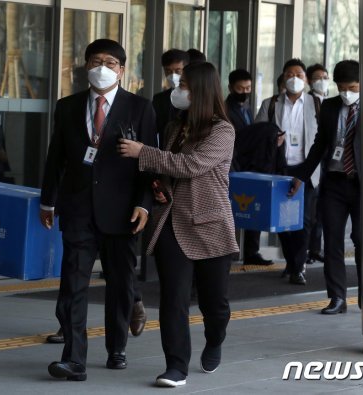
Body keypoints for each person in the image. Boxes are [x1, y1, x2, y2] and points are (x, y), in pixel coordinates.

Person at [40, 38, 156, 381]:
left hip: (123, 213)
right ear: (85, 66)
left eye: (109, 62)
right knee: (72, 284)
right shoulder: (67, 106)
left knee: (120, 283)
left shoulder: (141, 108)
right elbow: (55, 158)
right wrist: (48, 200)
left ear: (121, 70)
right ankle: (74, 357)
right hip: (77, 208)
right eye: (94, 61)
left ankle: (116, 346)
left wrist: (143, 204)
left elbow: (149, 163)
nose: (101, 68)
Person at [119, 61, 238, 388]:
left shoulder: (222, 130)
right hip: (172, 222)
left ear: (200, 89)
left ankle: (215, 339)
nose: (177, 89)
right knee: (173, 298)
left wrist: (144, 152)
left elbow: (191, 165)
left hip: (210, 223)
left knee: (215, 304)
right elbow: (169, 170)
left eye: (184, 84)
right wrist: (158, 182)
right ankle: (176, 366)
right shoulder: (174, 127)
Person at [290, 60, 362, 314]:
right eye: (342, 88)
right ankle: (337, 298)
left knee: (362, 240)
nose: (346, 93)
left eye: (352, 87)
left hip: (362, 186)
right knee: (332, 242)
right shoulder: (330, 107)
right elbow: (320, 145)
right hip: (334, 183)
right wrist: (302, 175)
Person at [255, 58, 320, 285]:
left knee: (304, 220)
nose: (294, 79)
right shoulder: (270, 104)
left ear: (306, 79)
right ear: (283, 78)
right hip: (280, 168)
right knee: (282, 220)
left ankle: (297, 266)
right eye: (290, 74)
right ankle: (293, 263)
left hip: (307, 169)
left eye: (299, 75)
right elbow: (258, 132)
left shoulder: (317, 104)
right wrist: (272, 139)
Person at [225, 68, 273, 266]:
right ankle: (229, 251)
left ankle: (251, 250)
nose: (244, 91)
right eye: (240, 88)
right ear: (230, 88)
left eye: (248, 88)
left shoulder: (247, 108)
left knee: (253, 206)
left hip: (249, 164)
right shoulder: (226, 109)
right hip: (235, 164)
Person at [305, 63, 330, 264]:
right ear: (310, 81)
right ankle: (306, 249)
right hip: (313, 159)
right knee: (310, 208)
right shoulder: (307, 102)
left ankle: (315, 248)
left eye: (325, 76)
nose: (322, 80)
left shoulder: (330, 102)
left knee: (321, 208)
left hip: (328, 162)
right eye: (317, 77)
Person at [153, 49, 189, 148]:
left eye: (178, 71)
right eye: (168, 71)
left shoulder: (197, 99)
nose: (173, 76)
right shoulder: (159, 100)